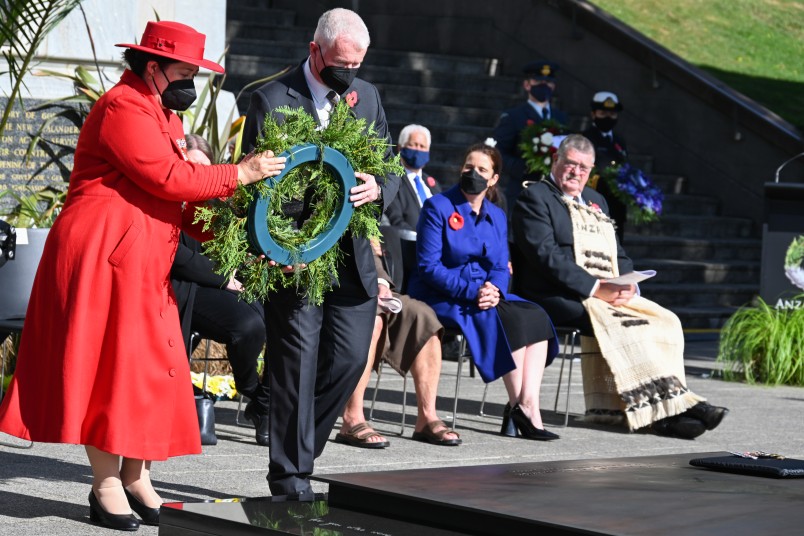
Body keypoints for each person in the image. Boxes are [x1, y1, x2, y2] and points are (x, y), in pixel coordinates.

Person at [0, 21, 286, 532]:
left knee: (151, 369)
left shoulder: (163, 115)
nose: (190, 83)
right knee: (110, 369)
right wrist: (238, 173)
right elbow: (167, 177)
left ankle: (137, 475)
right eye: (183, 72)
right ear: (151, 67)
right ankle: (106, 483)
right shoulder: (122, 107)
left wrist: (243, 238)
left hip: (141, 260)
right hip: (102, 258)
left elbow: (180, 198)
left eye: (195, 73)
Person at [242, 8, 400, 499]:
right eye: (339, 64)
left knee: (351, 359)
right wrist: (273, 247)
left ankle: (299, 445)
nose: (348, 74)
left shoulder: (366, 96)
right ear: (315, 51)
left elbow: (390, 164)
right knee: (295, 365)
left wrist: (380, 186)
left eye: (356, 64)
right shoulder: (270, 99)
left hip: (352, 257)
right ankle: (290, 479)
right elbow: (254, 186)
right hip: (295, 256)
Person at [510, 134, 729, 440]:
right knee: (631, 326)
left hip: (601, 291)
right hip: (552, 294)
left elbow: (618, 253)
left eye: (583, 168)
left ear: (591, 170)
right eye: (570, 164)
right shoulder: (535, 197)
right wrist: (595, 288)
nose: (576, 172)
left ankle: (666, 409)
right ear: (556, 160)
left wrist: (629, 285)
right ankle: (673, 411)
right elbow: (546, 257)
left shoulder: (596, 201)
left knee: (665, 321)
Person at [407, 142, 560, 440]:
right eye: (468, 167)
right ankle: (522, 409)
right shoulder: (438, 206)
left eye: (481, 170)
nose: (472, 173)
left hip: (484, 293)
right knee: (507, 320)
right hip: (442, 294)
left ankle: (527, 404)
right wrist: (473, 291)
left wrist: (495, 290)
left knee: (536, 315)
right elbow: (428, 267)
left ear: (493, 179)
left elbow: (502, 266)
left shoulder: (497, 215)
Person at [170, 134, 269, 447]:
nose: (197, 175)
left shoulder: (216, 202)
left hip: (218, 283)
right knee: (247, 324)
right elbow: (175, 256)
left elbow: (235, 248)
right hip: (182, 286)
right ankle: (252, 390)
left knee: (278, 315)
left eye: (204, 168)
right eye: (190, 167)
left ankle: (264, 403)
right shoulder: (171, 197)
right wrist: (222, 278)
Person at [336, 235, 460, 448]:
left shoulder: (358, 206)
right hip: (334, 289)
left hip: (367, 284)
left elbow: (363, 244)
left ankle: (427, 418)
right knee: (371, 320)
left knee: (422, 316)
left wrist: (381, 282)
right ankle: (352, 418)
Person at [492, 60, 569, 209]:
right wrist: (521, 167)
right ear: (527, 85)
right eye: (538, 81)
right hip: (522, 188)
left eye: (548, 82)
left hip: (554, 188)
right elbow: (498, 151)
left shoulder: (561, 118)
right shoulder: (514, 116)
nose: (544, 85)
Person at [582, 91, 628, 238]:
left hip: (616, 207)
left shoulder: (619, 141)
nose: (608, 117)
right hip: (593, 204)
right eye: (603, 113)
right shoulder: (584, 139)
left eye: (612, 114)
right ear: (593, 114)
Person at [384, 124, 440, 232]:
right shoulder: (392, 179)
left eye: (422, 146)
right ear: (400, 148)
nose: (418, 150)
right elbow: (396, 220)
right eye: (413, 145)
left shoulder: (433, 184)